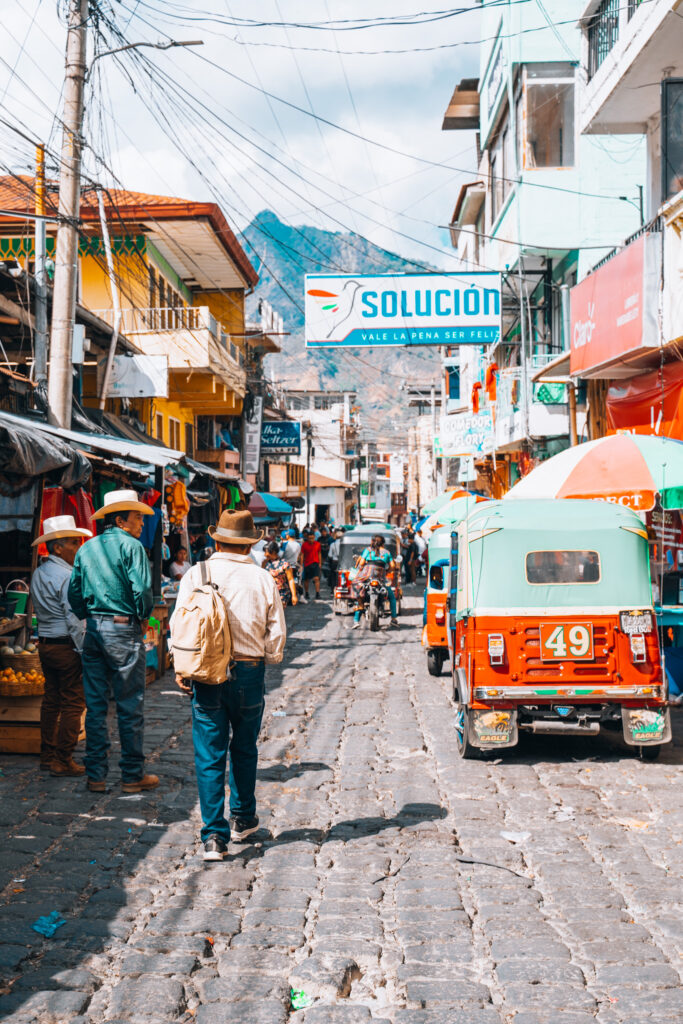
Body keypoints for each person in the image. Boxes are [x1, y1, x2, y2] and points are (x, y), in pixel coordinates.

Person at [172, 510, 286, 861]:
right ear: (249, 543)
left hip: (206, 674)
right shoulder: (263, 578)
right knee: (245, 747)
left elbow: (179, 626)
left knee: (209, 754)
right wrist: (262, 654)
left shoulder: (196, 573)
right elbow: (276, 638)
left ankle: (213, 838)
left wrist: (183, 667)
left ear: (216, 540)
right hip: (249, 673)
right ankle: (242, 818)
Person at [68, 490, 157, 794]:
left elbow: (74, 594)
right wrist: (143, 617)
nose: (142, 523)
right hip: (122, 630)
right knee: (129, 705)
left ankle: (96, 776)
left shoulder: (86, 548)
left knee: (95, 707)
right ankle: (132, 775)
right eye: (137, 518)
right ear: (120, 519)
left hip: (93, 629)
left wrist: (89, 617)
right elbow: (143, 590)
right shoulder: (133, 547)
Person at [30, 515, 92, 776]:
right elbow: (74, 619)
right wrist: (82, 650)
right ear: (57, 547)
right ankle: (63, 758)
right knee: (72, 703)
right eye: (73, 544)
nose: (78, 549)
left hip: (45, 644)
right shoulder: (66, 576)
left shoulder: (40, 572)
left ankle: (47, 755)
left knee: (51, 700)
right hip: (66, 646)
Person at [351, 534, 398, 629]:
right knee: (392, 597)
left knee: (359, 590)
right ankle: (393, 619)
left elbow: (361, 563)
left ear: (372, 542)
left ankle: (356, 619)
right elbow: (392, 566)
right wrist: (387, 570)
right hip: (381, 578)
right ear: (383, 543)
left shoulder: (367, 551)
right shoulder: (387, 553)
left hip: (366, 577)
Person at [263, 541, 298, 606]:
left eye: (266, 552)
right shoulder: (265, 563)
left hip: (281, 594)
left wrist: (294, 595)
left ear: (273, 552)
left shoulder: (284, 564)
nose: (265, 554)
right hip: (268, 593)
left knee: (278, 614)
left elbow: (290, 580)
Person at [301, 530, 322, 601]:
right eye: (309, 538)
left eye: (312, 538)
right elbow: (302, 555)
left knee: (316, 578)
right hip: (307, 564)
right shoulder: (304, 545)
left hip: (315, 563)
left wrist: (320, 563)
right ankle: (306, 593)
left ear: (314, 537)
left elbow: (319, 553)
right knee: (306, 580)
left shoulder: (318, 544)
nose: (311, 540)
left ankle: (317, 593)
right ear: (307, 538)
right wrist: (301, 565)